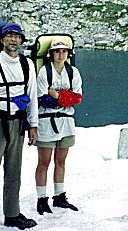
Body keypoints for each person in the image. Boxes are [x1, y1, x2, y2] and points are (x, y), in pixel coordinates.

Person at [0, 23, 39, 231]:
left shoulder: (27, 64)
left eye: (17, 36)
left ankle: (12, 214)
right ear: (2, 40)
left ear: (21, 41)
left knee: (14, 171)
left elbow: (32, 97)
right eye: (9, 36)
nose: (13, 40)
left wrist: (33, 125)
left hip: (18, 124)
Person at [35, 39, 83, 215]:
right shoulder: (44, 72)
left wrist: (55, 94)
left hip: (66, 122)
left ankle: (59, 196)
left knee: (61, 161)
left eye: (64, 51)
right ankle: (41, 199)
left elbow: (77, 98)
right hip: (46, 122)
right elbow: (42, 99)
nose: (60, 54)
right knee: (44, 162)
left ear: (68, 54)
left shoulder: (73, 72)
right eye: (57, 51)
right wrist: (65, 97)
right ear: (51, 54)